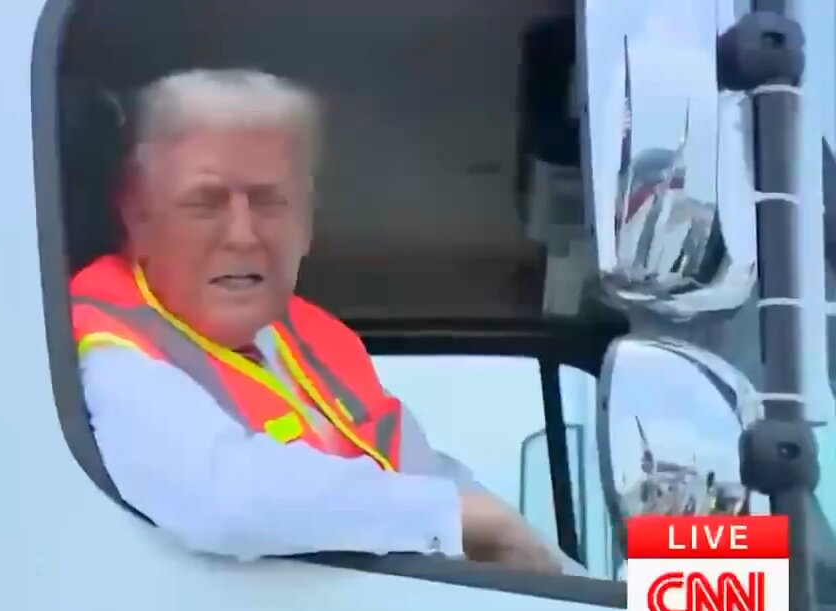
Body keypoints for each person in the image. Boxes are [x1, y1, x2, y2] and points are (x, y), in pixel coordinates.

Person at [71, 68, 572, 575]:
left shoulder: (313, 343)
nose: (243, 235)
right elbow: (225, 499)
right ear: (139, 217)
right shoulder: (109, 348)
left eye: (269, 201)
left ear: (306, 223)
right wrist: (457, 519)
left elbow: (441, 481)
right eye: (205, 202)